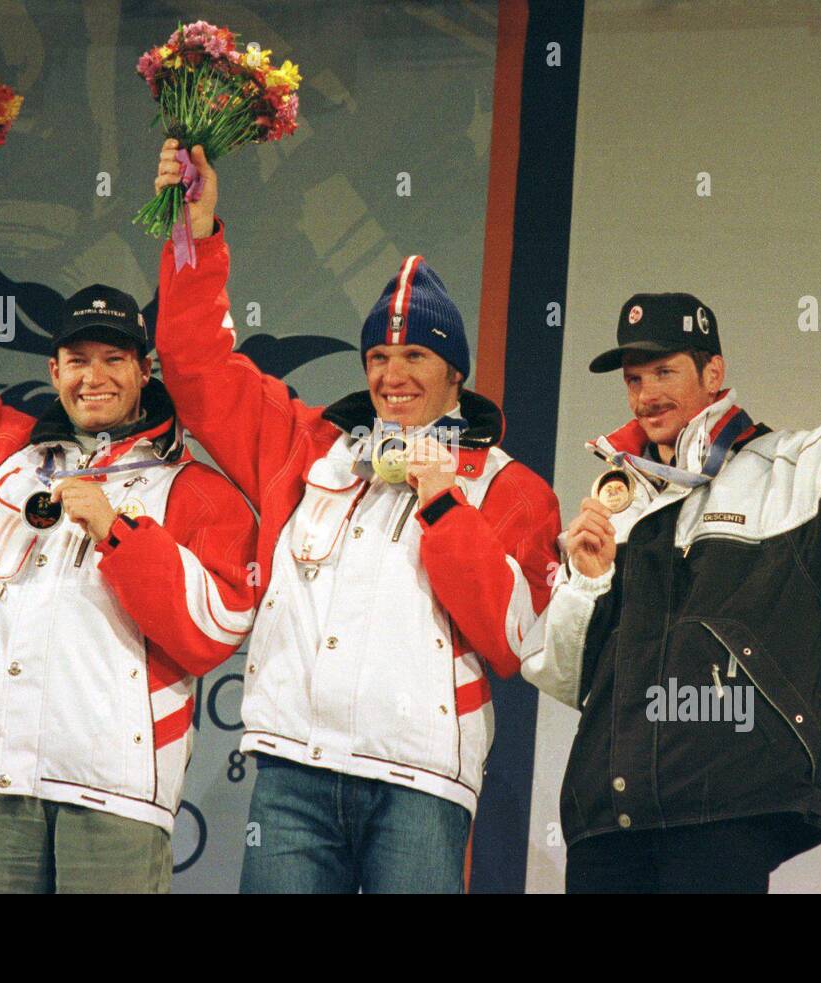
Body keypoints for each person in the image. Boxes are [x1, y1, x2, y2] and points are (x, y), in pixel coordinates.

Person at [150, 140, 563, 893]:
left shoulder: (512, 491)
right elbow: (195, 369)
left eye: (414, 356)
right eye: (378, 356)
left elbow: (515, 641)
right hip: (292, 773)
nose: (392, 374)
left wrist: (442, 504)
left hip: (421, 783)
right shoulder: (308, 449)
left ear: (456, 375)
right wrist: (194, 234)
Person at [0, 149, 258, 893]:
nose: (91, 376)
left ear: (144, 372)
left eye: (112, 359)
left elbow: (211, 630)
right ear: (56, 370)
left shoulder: (198, 494)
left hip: (116, 794)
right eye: (74, 359)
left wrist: (119, 534)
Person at [538, 202, 821, 893]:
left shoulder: (787, 469)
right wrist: (585, 582)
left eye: (664, 372)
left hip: (726, 805)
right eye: (634, 379)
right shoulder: (620, 501)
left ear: (712, 371)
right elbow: (567, 679)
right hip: (608, 821)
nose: (645, 396)